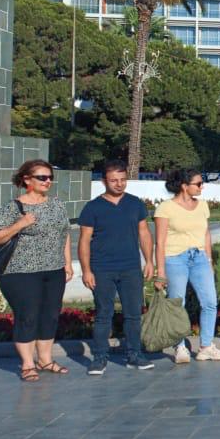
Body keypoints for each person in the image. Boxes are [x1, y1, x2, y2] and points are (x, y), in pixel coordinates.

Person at [0, 160, 72, 381]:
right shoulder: (14, 207)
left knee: (50, 315)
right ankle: (27, 364)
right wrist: (20, 224)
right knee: (28, 316)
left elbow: (64, 233)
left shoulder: (57, 204)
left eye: (50, 177)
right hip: (20, 272)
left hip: (54, 269)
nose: (48, 181)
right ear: (27, 180)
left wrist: (67, 262)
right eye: (42, 177)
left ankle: (45, 360)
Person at [77, 158, 154, 374]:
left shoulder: (135, 204)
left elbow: (144, 233)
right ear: (104, 181)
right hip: (102, 269)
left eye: (122, 179)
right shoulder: (93, 207)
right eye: (114, 180)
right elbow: (84, 240)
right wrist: (86, 270)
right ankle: (100, 357)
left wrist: (149, 261)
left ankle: (134, 355)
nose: (119, 184)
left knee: (133, 314)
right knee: (104, 314)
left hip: (130, 268)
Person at [155, 168, 220, 363]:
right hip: (175, 258)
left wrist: (209, 261)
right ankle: (180, 347)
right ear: (184, 186)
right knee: (178, 304)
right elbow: (160, 242)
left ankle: (206, 346)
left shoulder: (202, 205)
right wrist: (161, 272)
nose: (202, 187)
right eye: (199, 183)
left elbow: (206, 234)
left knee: (210, 302)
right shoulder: (166, 208)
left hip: (199, 257)